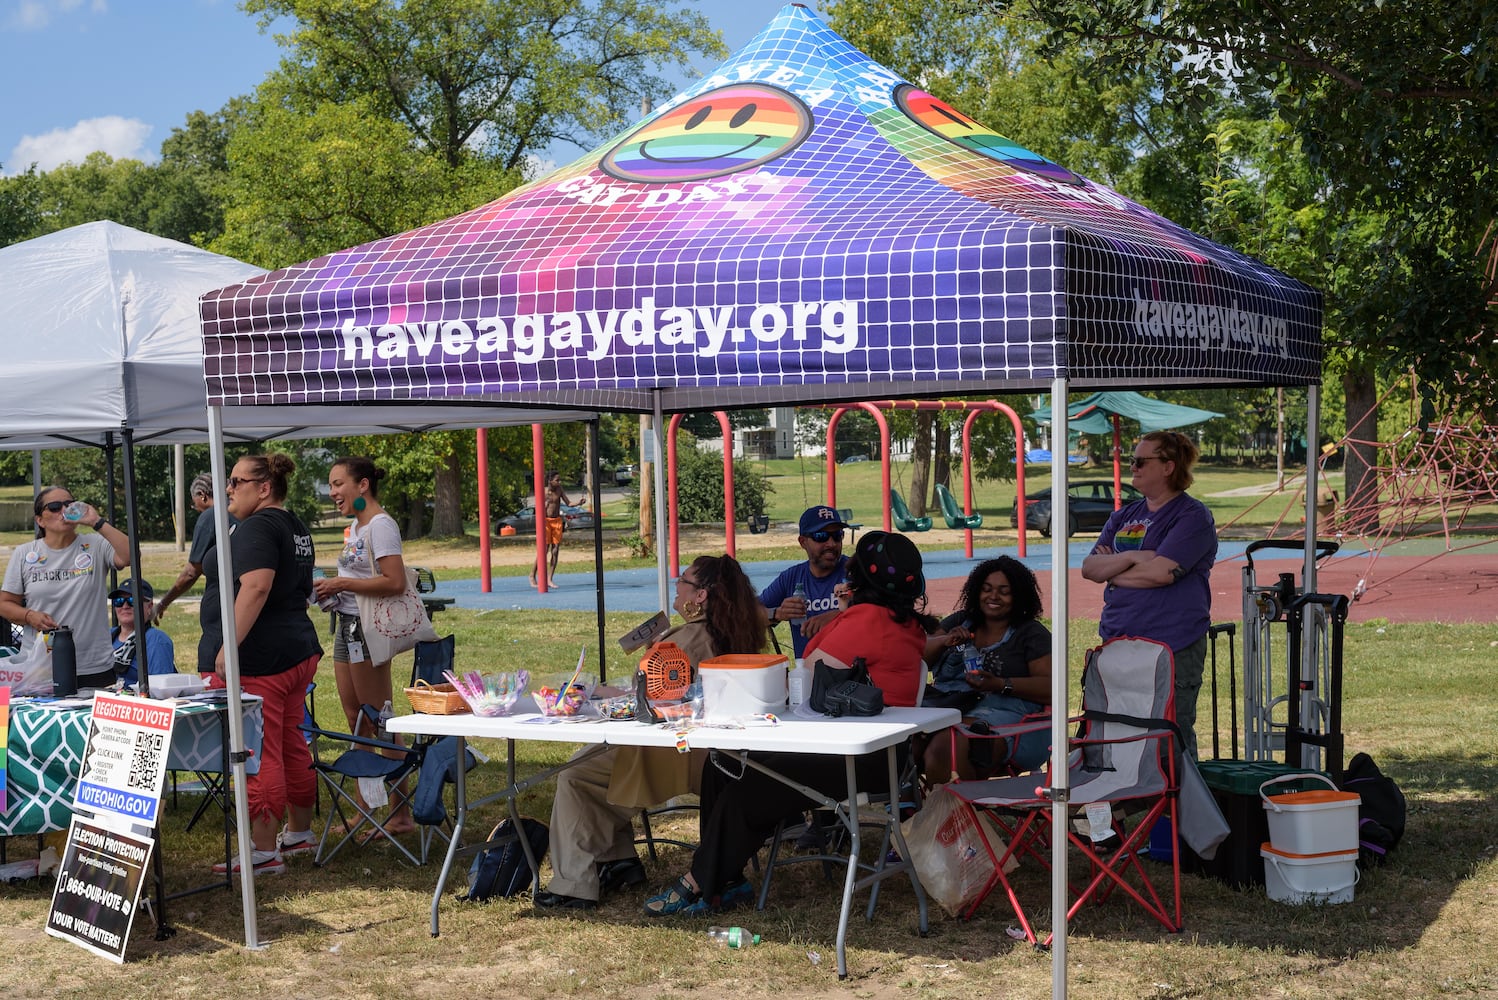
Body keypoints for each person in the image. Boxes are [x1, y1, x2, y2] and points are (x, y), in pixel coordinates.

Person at [645, 531, 936, 917]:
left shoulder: (867, 619)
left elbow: (810, 670)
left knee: (748, 784)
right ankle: (726, 879)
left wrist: (843, 613)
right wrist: (843, 611)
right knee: (723, 764)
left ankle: (700, 881)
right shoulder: (899, 620)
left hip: (857, 756)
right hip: (870, 751)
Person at [535, 554, 766, 910]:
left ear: (700, 595)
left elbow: (647, 703)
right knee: (591, 766)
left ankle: (575, 883)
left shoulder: (690, 637)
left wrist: (594, 693)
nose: (677, 585)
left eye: (684, 581)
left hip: (673, 746)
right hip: (714, 748)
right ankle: (619, 861)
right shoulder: (730, 631)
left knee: (576, 775)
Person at [206, 453, 323, 876]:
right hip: (296, 649)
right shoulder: (294, 525)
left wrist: (228, 648)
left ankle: (261, 851)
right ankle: (299, 832)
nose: (229, 488)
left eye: (237, 481)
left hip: (265, 658)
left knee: (258, 749)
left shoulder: (256, 526)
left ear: (264, 487)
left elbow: (255, 587)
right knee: (290, 740)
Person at [1081, 430, 1217, 757]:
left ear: (1168, 466)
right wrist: (1131, 557)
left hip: (1172, 644)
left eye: (1141, 461)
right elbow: (1089, 568)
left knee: (1168, 739)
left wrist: (1113, 570)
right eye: (1132, 460)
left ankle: (1176, 808)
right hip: (1118, 642)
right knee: (1115, 736)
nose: (1133, 467)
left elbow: (1161, 573)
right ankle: (1129, 808)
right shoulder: (1123, 515)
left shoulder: (1192, 516)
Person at [311, 457, 415, 838]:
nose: (333, 492)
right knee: (357, 719)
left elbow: (395, 582)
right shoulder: (355, 527)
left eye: (339, 484)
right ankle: (367, 809)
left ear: (363, 485)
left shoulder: (381, 526)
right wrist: (332, 593)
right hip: (347, 627)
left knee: (380, 719)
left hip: (369, 632)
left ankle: (401, 813)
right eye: (331, 485)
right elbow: (357, 577)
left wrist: (342, 586)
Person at [921, 557, 1051, 782]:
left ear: (1018, 595)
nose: (993, 597)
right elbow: (920, 659)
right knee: (907, 740)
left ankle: (959, 811)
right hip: (948, 707)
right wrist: (943, 641)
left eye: (1004, 591)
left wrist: (1001, 684)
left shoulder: (1031, 633)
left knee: (947, 742)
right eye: (987, 589)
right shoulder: (961, 621)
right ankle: (913, 805)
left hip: (1015, 721)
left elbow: (1051, 687)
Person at [0, 486, 133, 693]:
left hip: (93, 665)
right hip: (41, 668)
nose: (63, 510)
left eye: (69, 504)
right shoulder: (25, 553)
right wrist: (29, 616)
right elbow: (5, 604)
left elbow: (131, 556)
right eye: (54, 507)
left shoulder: (95, 545)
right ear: (40, 520)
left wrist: (96, 522)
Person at [758, 505, 850, 658]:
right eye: (821, 536)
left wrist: (838, 617)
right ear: (802, 542)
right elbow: (748, 613)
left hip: (853, 677)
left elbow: (882, 612)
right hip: (808, 676)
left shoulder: (855, 571)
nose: (831, 544)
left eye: (837, 535)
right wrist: (777, 613)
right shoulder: (791, 577)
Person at [153, 473, 232, 631]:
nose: (194, 507)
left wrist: (162, 604)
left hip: (225, 607)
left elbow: (191, 572)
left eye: (193, 502)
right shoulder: (243, 512)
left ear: (202, 495)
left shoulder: (210, 516)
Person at [108, 578, 178, 688]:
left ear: (149, 606)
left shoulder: (156, 640)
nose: (125, 606)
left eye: (132, 601)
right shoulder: (107, 636)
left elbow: (160, 688)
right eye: (119, 601)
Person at [532, 471, 573, 588]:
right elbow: (538, 510)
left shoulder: (559, 490)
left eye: (560, 480)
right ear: (550, 481)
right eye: (557, 480)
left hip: (557, 521)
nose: (559, 482)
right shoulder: (544, 492)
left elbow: (568, 503)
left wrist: (578, 503)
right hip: (546, 521)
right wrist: (543, 507)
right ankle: (532, 575)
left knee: (555, 551)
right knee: (543, 551)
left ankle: (549, 579)